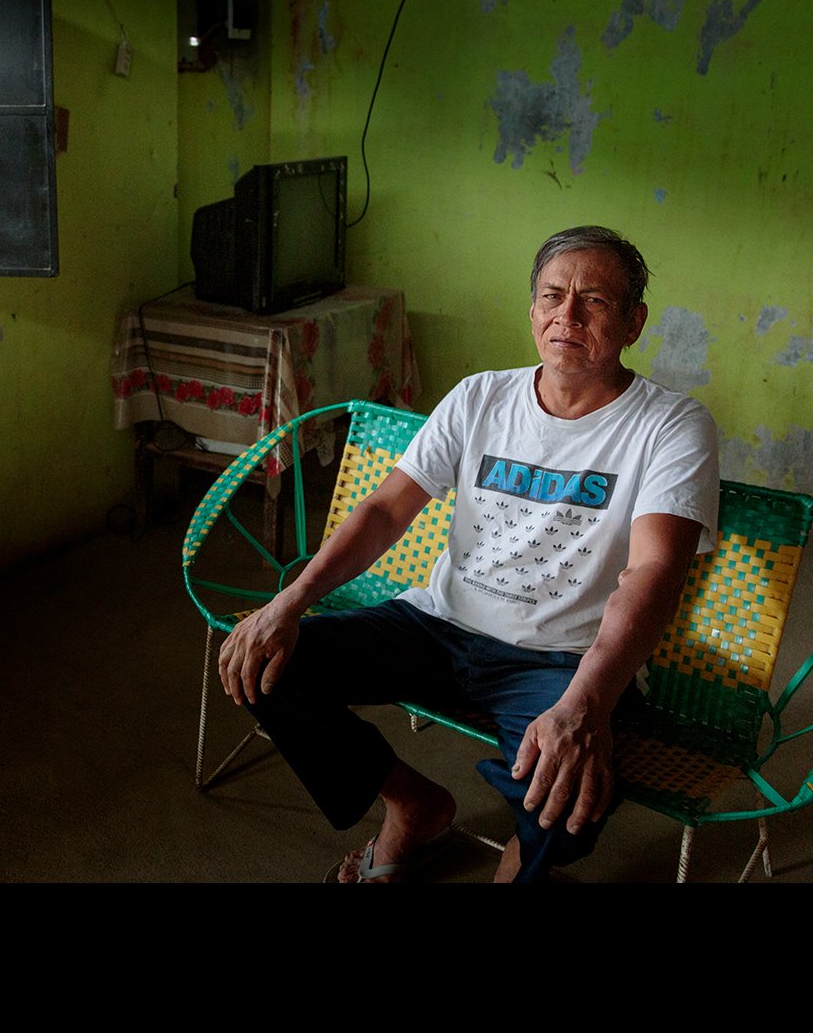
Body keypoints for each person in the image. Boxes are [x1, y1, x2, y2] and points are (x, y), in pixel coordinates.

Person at [217, 225, 720, 883]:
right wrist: (289, 601)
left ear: (633, 322)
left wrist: (587, 705)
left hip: (559, 663)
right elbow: (384, 509)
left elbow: (654, 570)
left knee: (569, 801)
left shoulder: (671, 426)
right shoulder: (481, 396)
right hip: (439, 625)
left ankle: (516, 867)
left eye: (593, 301)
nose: (566, 315)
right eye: (552, 296)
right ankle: (415, 805)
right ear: (533, 310)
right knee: (268, 662)